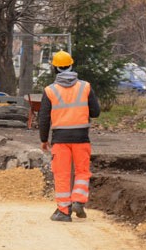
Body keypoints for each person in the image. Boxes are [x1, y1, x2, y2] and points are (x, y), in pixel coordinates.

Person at [38, 50, 100, 222]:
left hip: (60, 140)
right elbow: (96, 112)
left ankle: (64, 211)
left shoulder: (50, 91)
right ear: (72, 66)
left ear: (55, 69)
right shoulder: (85, 87)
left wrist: (44, 140)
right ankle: (79, 200)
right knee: (82, 172)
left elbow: (43, 118)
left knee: (62, 174)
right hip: (81, 138)